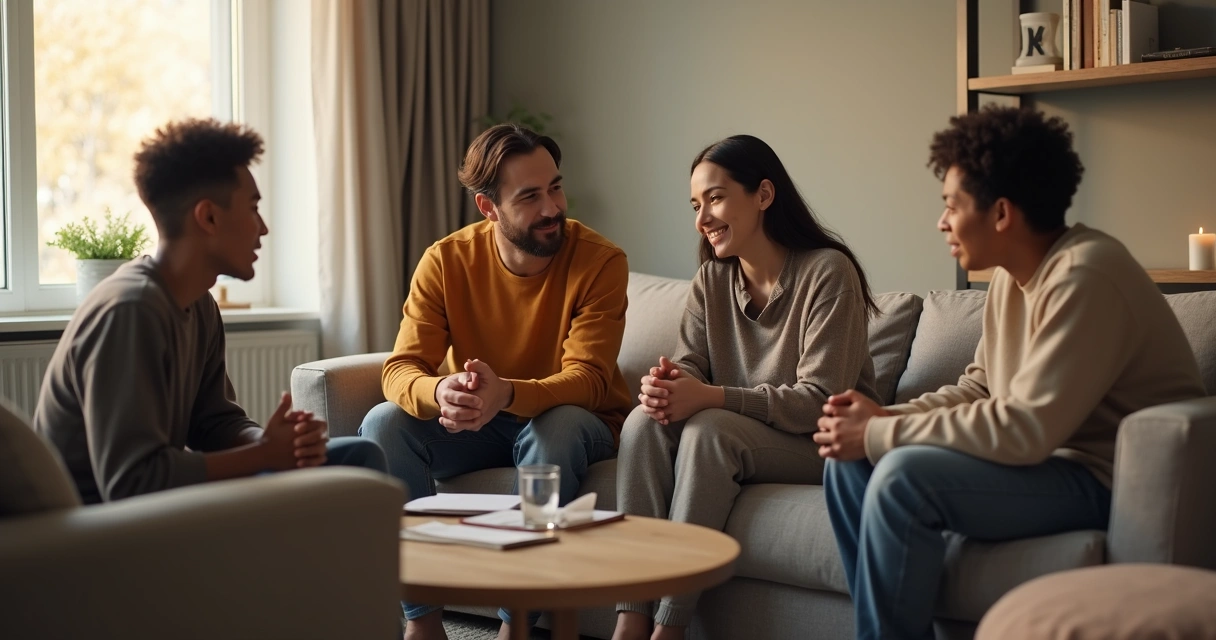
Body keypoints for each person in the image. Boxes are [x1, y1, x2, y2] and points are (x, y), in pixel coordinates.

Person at [814, 106, 1205, 640]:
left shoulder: (1086, 276)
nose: (942, 222)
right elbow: (980, 387)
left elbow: (1025, 429)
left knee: (902, 479)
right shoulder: (1011, 278)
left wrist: (881, 431)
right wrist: (882, 417)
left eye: (951, 206)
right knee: (849, 467)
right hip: (1045, 466)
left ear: (1000, 214)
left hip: (1100, 478)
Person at [359, 123, 632, 640]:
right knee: (383, 424)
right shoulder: (446, 260)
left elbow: (589, 379)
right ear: (488, 207)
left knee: (556, 428)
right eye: (530, 196)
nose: (553, 207)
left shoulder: (601, 262)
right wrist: (440, 392)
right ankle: (422, 620)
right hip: (481, 425)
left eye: (555, 186)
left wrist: (506, 392)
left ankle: (517, 624)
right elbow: (400, 369)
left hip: (577, 420)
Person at [34, 118, 387, 506]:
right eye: (253, 208)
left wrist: (273, 442)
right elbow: (132, 482)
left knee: (358, 458)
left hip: (158, 502)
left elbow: (214, 422)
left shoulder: (198, 302)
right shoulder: (130, 310)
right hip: (106, 527)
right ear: (209, 217)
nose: (264, 228)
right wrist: (264, 456)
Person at [612, 134, 881, 640]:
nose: (702, 218)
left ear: (763, 194)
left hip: (824, 443)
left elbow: (821, 401)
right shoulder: (712, 280)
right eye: (696, 205)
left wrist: (711, 396)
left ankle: (670, 627)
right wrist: (669, 386)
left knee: (710, 432)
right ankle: (630, 617)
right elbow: (692, 363)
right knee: (643, 423)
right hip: (749, 434)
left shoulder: (828, 272)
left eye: (715, 198)